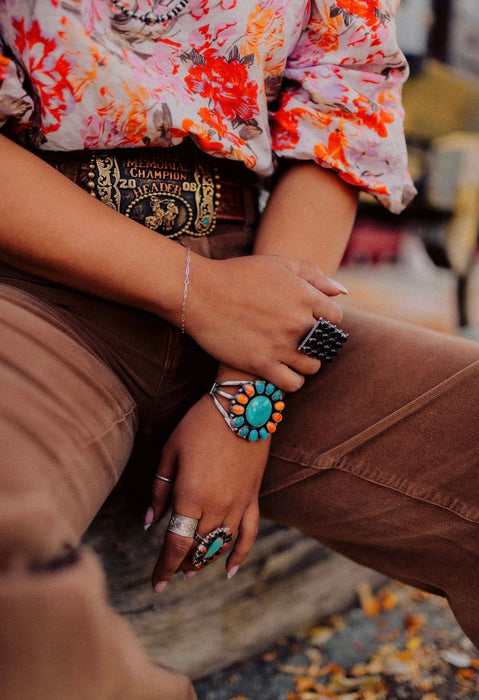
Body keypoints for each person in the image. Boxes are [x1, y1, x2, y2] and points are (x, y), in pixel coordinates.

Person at [0, 0, 477, 698]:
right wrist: (194, 290)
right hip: (32, 297)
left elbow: (333, 125)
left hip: (258, 279)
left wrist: (247, 395)